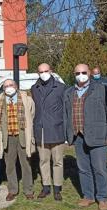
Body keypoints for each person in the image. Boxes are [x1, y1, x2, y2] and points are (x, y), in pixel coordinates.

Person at [64, 63, 107, 210]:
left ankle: (102, 197)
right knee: (83, 168)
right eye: (77, 73)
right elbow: (66, 115)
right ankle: (88, 196)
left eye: (83, 72)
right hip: (78, 135)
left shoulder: (101, 89)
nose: (81, 75)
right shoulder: (69, 92)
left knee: (99, 168)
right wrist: (68, 134)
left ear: (89, 73)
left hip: (98, 135)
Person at [0, 79, 35, 202]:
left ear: (16, 86)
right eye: (6, 86)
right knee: (9, 166)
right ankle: (12, 190)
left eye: (11, 85)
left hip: (22, 136)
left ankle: (28, 190)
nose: (8, 87)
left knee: (26, 165)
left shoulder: (26, 99)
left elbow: (32, 114)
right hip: (8, 137)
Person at [31, 63, 67, 201]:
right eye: (41, 71)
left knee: (57, 161)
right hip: (41, 130)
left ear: (51, 71)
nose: (44, 73)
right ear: (38, 73)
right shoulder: (35, 88)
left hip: (56, 129)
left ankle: (57, 188)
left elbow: (65, 110)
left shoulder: (61, 88)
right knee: (43, 160)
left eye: (46, 71)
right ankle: (46, 186)